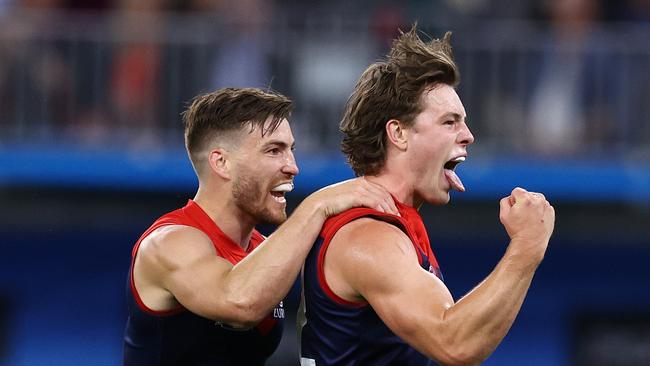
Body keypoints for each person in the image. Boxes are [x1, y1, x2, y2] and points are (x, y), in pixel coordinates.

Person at [299, 26, 555, 366]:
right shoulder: (368, 237)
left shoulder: (392, 224)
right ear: (399, 133)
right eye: (449, 122)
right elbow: (454, 344)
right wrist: (526, 248)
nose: (468, 135)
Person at [123, 87, 398, 366]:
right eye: (274, 150)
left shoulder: (263, 251)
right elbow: (240, 302)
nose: (292, 166)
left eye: (291, 150)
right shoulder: (168, 243)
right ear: (222, 163)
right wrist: (318, 205)